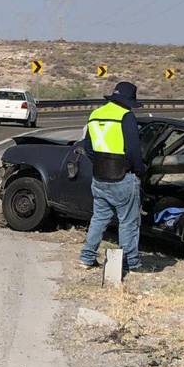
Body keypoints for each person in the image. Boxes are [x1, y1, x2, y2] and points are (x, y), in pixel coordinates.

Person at [78, 81, 146, 273]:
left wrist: (102, 162)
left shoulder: (95, 115)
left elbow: (88, 148)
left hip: (99, 177)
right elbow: (134, 151)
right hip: (123, 177)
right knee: (128, 222)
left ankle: (86, 257)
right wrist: (139, 170)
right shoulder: (126, 117)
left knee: (99, 218)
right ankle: (130, 262)